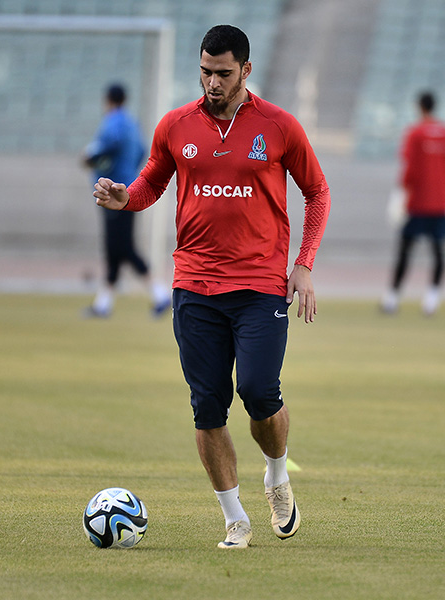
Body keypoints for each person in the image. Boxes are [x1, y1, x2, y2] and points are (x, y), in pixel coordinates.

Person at [93, 25, 331, 549]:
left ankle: (276, 476)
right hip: (194, 286)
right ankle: (235, 519)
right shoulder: (175, 125)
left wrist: (304, 263)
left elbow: (316, 191)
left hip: (260, 286)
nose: (212, 82)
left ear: (246, 70)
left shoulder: (279, 126)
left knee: (259, 392)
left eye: (223, 73)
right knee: (207, 407)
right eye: (205, 71)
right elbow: (152, 182)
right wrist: (126, 198)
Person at [83, 83, 171, 318]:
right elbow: (141, 150)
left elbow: (107, 145)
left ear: (108, 100)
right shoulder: (132, 123)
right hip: (130, 189)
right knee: (115, 247)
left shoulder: (113, 122)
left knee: (122, 247)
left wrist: (92, 158)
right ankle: (103, 304)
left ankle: (160, 293)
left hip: (114, 193)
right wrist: (129, 170)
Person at [381, 90, 445, 316]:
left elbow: (410, 168)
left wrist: (400, 195)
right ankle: (431, 300)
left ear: (420, 107)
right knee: (439, 252)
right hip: (440, 203)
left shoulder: (415, 133)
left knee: (405, 251)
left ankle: (392, 298)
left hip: (417, 203)